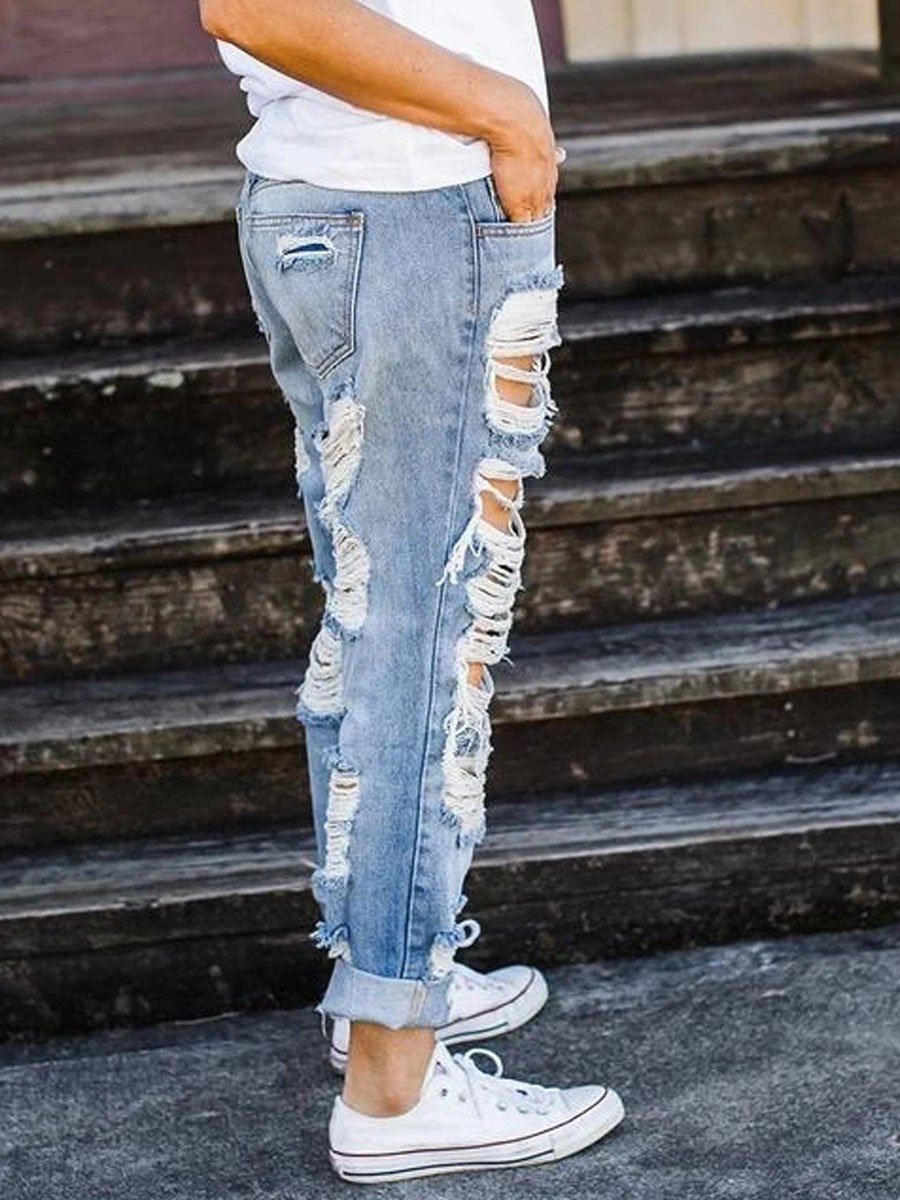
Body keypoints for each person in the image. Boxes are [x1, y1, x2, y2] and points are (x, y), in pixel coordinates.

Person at [199, 0, 624, 1182]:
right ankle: (393, 1081)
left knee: (375, 627)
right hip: (411, 209)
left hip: (348, 202)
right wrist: (509, 115)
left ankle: (383, 982)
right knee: (425, 646)